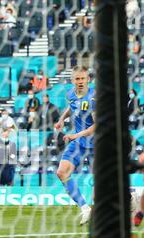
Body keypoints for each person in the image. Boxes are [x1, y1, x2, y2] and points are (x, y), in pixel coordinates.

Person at [55, 66, 95, 225]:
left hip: (97, 142)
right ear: (73, 80)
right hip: (79, 142)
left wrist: (75, 135)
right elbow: (72, 106)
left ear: (88, 80)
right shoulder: (71, 93)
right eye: (77, 79)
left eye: (82, 78)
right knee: (62, 172)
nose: (80, 82)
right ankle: (85, 209)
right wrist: (61, 119)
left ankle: (129, 197)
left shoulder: (94, 98)